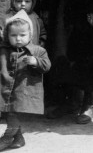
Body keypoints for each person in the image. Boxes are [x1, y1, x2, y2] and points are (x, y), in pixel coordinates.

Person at [0, 9, 51, 151]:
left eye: (22, 35)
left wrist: (36, 62)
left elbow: (46, 66)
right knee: (9, 112)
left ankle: (7, 137)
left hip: (23, 90)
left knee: (13, 113)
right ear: (7, 36)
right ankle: (18, 138)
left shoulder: (37, 51)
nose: (18, 39)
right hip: (5, 88)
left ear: (30, 35)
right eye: (13, 35)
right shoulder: (3, 50)